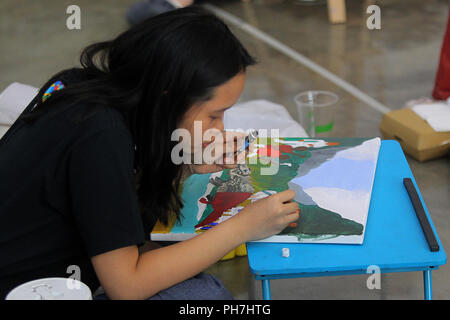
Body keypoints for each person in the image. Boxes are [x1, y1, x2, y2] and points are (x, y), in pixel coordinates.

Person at [0, 7, 300, 300]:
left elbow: (97, 192)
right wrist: (242, 228)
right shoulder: (99, 134)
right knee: (202, 294)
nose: (219, 130)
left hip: (52, 266)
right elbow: (126, 287)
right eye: (214, 115)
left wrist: (178, 165)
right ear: (166, 97)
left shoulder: (79, 85)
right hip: (26, 290)